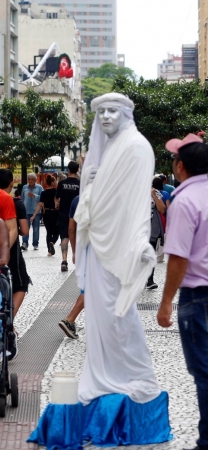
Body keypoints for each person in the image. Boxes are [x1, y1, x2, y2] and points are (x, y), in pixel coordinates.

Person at [72, 93, 168, 442]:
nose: (107, 117)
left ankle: (137, 376)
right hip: (99, 248)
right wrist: (90, 182)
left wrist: (141, 242)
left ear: (126, 114)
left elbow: (136, 202)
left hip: (121, 249)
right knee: (99, 317)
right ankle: (101, 377)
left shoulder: (137, 148)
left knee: (120, 317)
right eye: (102, 112)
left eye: (114, 111)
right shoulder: (106, 151)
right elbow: (89, 203)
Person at [157, 134, 208, 450]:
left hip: (198, 296)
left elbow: (178, 256)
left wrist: (165, 303)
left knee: (204, 372)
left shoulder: (184, 200)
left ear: (180, 166)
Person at [0, 169, 31, 320]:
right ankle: (8, 320)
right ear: (12, 183)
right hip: (12, 250)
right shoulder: (16, 203)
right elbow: (24, 230)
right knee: (21, 283)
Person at [59, 195, 84, 339]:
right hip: (102, 251)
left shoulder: (77, 199)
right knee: (92, 287)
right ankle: (70, 319)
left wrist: (75, 251)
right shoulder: (108, 195)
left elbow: (71, 228)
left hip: (83, 248)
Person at [55, 161, 80, 272]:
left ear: (68, 170)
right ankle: (78, 257)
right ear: (78, 170)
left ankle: (64, 261)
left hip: (64, 213)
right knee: (78, 237)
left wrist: (56, 204)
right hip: (78, 214)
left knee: (64, 238)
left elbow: (57, 198)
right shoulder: (80, 183)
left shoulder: (61, 183)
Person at [33, 174, 59, 256]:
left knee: (49, 232)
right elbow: (57, 202)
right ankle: (52, 242)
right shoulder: (56, 192)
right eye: (55, 181)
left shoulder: (44, 193)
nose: (56, 182)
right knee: (56, 232)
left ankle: (49, 251)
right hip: (55, 213)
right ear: (52, 182)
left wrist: (34, 215)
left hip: (46, 214)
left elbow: (40, 204)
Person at [146, 183, 166, 290]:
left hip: (151, 228)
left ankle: (150, 280)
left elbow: (162, 209)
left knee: (151, 253)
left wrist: (153, 195)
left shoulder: (155, 192)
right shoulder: (132, 189)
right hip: (135, 228)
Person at [21, 173, 43, 251]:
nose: (30, 181)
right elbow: (22, 198)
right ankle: (25, 243)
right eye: (29, 179)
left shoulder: (39, 188)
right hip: (26, 211)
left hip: (36, 212)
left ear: (35, 180)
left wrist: (34, 196)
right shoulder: (24, 187)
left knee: (36, 229)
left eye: (32, 179)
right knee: (25, 228)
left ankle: (35, 244)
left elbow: (42, 198)